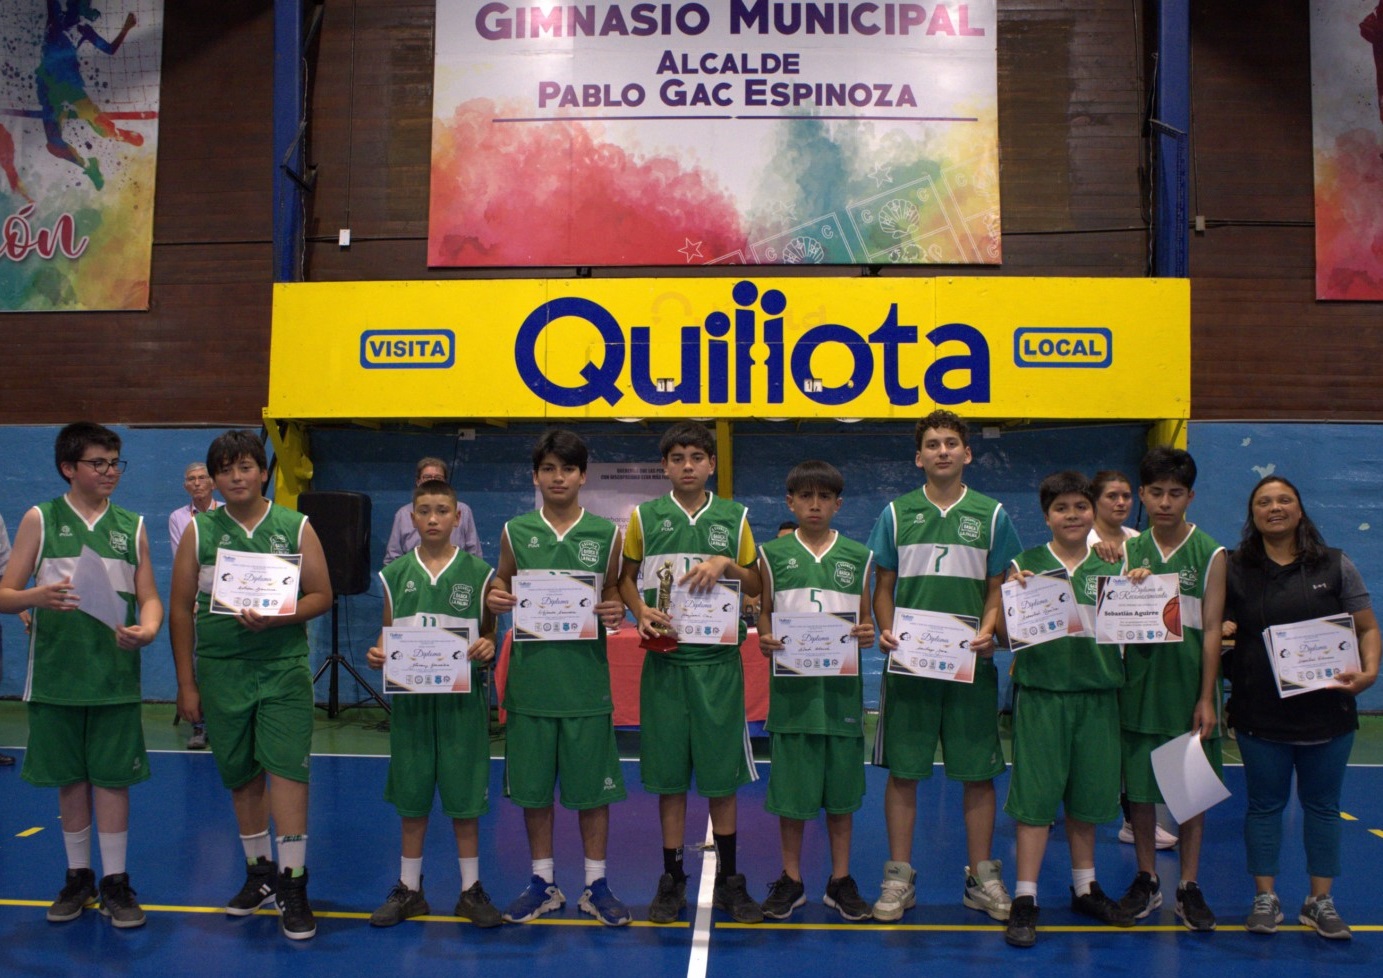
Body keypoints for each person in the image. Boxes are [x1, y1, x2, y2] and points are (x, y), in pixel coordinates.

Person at [168, 429, 333, 940]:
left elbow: (322, 594)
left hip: (281, 667)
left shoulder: (295, 525)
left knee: (286, 772)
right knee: (241, 776)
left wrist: (279, 617)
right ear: (213, 479)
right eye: (225, 469)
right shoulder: (199, 532)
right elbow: (178, 608)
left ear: (263, 472)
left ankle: (294, 881)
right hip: (221, 670)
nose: (236, 477)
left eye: (245, 467)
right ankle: (259, 873)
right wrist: (186, 683)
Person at [0, 423, 162, 928]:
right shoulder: (40, 519)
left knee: (113, 780)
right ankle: (78, 876)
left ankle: (115, 881)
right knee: (71, 780)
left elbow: (150, 595)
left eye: (116, 462)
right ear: (69, 468)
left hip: (115, 677)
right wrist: (36, 597)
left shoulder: (131, 525)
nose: (110, 471)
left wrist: (150, 627)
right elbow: (5, 594)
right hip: (57, 675)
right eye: (99, 463)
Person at [867, 410, 1022, 923]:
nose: (942, 451)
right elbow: (883, 586)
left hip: (970, 665)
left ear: (967, 453)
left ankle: (982, 875)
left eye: (951, 443)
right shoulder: (895, 513)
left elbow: (999, 586)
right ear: (918, 457)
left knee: (978, 774)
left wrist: (990, 628)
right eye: (932, 444)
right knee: (905, 773)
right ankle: (898, 877)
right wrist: (886, 631)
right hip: (910, 664)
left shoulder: (993, 514)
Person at [617, 421, 763, 924]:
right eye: (676, 458)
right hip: (665, 661)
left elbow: (757, 581)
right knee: (669, 778)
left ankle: (730, 880)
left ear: (711, 464)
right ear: (665, 466)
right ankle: (672, 877)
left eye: (696, 457)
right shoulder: (644, 516)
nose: (686, 465)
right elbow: (624, 578)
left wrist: (726, 562)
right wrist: (639, 611)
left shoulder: (735, 517)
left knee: (721, 781)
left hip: (718, 664)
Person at [1223, 476, 1379, 940]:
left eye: (1284, 500)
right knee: (1264, 807)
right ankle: (1265, 898)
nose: (1274, 507)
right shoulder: (1234, 568)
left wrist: (1369, 673)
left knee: (1324, 808)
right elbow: (1214, 630)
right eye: (1264, 501)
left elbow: (1367, 628)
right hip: (1259, 714)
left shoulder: (1335, 564)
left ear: (1299, 508)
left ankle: (1319, 900)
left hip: (1328, 715)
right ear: (1252, 514)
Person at [486, 430, 631, 926]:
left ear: (582, 475)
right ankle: (542, 882)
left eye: (567, 469)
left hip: (586, 685)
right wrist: (496, 595)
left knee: (593, 794)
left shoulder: (607, 535)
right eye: (548, 469)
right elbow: (501, 578)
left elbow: (612, 589)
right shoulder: (514, 530)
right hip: (530, 687)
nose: (558, 477)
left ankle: (596, 885)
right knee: (533, 793)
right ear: (536, 476)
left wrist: (614, 608)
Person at [1000, 472, 1132, 947]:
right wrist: (1017, 597)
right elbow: (1002, 638)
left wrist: (1140, 583)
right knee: (1035, 801)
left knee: (1088, 798)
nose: (1072, 515)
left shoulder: (1116, 564)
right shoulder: (1025, 564)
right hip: (1042, 694)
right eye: (1062, 508)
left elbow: (1146, 625)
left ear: (1093, 512)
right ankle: (1025, 896)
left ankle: (1084, 886)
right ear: (1046, 516)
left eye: (1080, 506)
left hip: (1098, 695)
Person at [364, 479, 504, 929]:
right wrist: (377, 653)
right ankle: (410, 888)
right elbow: (387, 635)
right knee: (413, 797)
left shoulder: (479, 573)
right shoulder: (394, 575)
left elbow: (488, 634)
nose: (432, 519)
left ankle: (470, 889)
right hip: (413, 705)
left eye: (442, 510)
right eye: (423, 510)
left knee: (465, 799)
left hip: (462, 704)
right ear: (411, 516)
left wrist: (487, 645)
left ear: (457, 517)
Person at [755, 461, 875, 922]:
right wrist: (765, 636)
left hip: (841, 698)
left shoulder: (859, 556)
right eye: (805, 497)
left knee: (841, 798)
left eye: (824, 497)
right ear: (790, 502)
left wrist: (866, 634)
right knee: (792, 797)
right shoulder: (770, 555)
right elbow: (764, 611)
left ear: (838, 504)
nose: (815, 505)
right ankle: (792, 879)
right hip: (793, 699)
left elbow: (865, 622)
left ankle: (839, 880)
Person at [1116, 446, 1225, 932]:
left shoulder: (1211, 553)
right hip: (1138, 685)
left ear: (1190, 497)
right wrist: (1129, 588)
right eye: (1156, 492)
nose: (1165, 502)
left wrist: (1207, 696)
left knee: (1188, 793)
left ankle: (1188, 884)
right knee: (1140, 792)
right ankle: (1146, 878)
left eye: (1175, 493)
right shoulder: (1129, 550)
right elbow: (1113, 621)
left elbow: (1213, 632)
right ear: (1142, 495)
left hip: (1186, 690)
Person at [1089, 469, 1178, 852]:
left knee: (1135, 743)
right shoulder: (1081, 542)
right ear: (1095, 501)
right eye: (1112, 496)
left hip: (1138, 657)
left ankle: (1132, 819)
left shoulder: (1141, 543)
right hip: (1095, 658)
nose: (1121, 502)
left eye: (1126, 496)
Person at [169, 461, 219, 751]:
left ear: (212, 483)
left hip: (222, 597)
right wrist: (193, 601)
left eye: (202, 478)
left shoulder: (225, 511)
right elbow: (182, 559)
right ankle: (199, 727)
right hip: (195, 599)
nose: (197, 482)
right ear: (185, 486)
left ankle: (224, 723)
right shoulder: (178, 517)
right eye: (191, 479)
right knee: (195, 664)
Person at [383, 456, 482, 564]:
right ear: (418, 481)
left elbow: (474, 555)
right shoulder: (403, 514)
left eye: (438, 478)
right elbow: (392, 559)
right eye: (427, 477)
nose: (433, 481)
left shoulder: (463, 510)